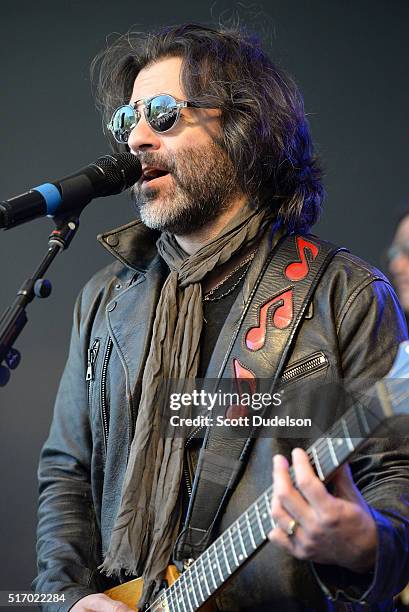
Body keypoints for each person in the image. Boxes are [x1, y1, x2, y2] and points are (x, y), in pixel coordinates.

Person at [33, 23, 409, 611]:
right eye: (126, 120)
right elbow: (66, 472)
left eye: (161, 113)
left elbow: (397, 475)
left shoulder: (346, 293)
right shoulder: (106, 299)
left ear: (243, 129)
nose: (135, 139)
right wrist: (67, 598)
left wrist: (366, 542)